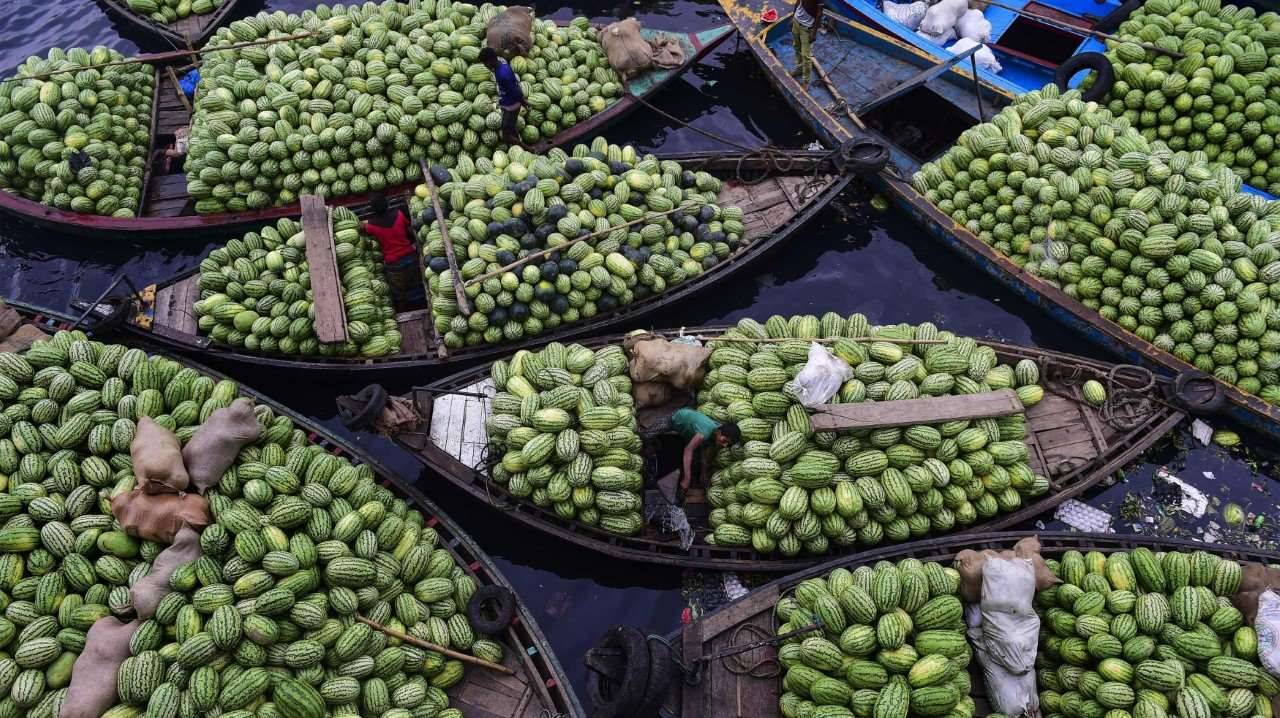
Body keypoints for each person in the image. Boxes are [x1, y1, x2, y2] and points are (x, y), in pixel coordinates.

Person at [363, 193, 425, 309]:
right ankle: (422, 304)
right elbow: (408, 226)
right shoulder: (399, 215)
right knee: (417, 283)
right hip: (410, 256)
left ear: (373, 210)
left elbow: (362, 228)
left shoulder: (372, 226)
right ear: (387, 204)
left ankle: (404, 309)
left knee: (399, 290)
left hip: (394, 263)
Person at [671, 407, 740, 498]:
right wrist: (686, 479)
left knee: (696, 459)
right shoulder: (704, 433)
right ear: (719, 432)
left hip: (688, 429)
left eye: (727, 444)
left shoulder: (717, 430)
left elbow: (704, 450)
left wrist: (703, 473)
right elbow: (688, 450)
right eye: (724, 441)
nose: (724, 445)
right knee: (649, 435)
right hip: (676, 418)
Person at [480, 47, 525, 145]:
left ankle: (528, 148)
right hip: (508, 105)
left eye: (485, 63)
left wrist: (524, 102)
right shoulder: (502, 66)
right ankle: (519, 141)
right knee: (511, 127)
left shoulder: (502, 74)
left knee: (506, 135)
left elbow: (515, 91)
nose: (485, 66)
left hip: (511, 107)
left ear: (490, 60)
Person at [792, 0, 823, 87]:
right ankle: (799, 68)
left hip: (807, 28)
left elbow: (819, 13)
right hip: (796, 21)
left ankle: (806, 81)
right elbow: (798, 1)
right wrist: (793, 16)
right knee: (796, 46)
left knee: (806, 55)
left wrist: (814, 32)